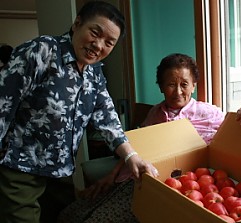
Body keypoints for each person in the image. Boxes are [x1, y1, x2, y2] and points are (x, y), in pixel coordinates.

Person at [0, 1, 158, 223]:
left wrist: (131, 156)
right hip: (21, 166)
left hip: (60, 171)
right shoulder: (43, 50)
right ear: (77, 24)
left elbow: (106, 116)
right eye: (95, 32)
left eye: (109, 43)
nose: (98, 45)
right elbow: (3, 100)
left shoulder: (94, 73)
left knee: (62, 217)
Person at [57, 53, 241, 223]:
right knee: (70, 214)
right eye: (171, 84)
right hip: (136, 176)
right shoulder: (155, 113)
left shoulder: (208, 113)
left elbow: (235, 129)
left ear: (194, 85)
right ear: (161, 86)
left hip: (168, 187)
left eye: (184, 84)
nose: (178, 91)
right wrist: (111, 175)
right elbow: (136, 147)